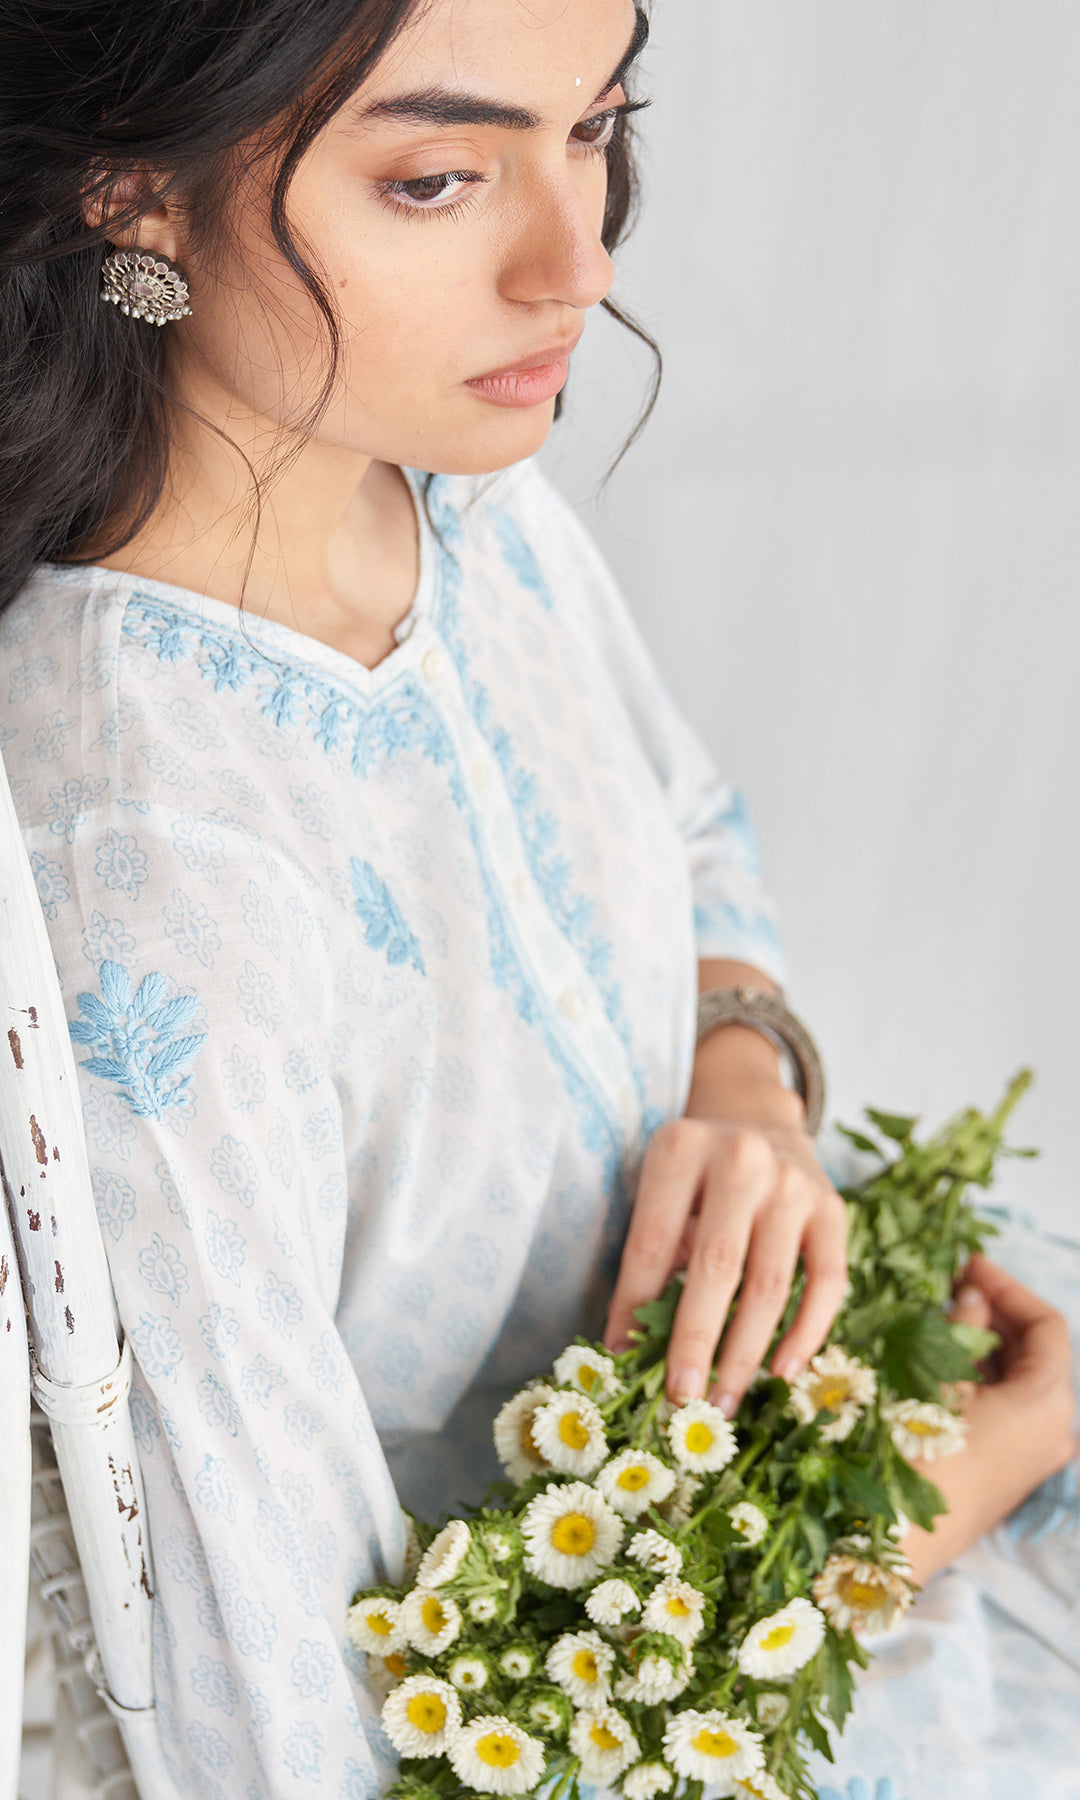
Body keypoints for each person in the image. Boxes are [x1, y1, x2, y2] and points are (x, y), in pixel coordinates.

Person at [0, 1, 1071, 1794]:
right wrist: (970, 1478)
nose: (576, 263)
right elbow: (318, 1754)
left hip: (770, 1477)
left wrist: (746, 1094)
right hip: (641, 1691)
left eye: (595, 127)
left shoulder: (447, 488)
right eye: (436, 178)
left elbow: (691, 825)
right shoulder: (149, 877)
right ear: (135, 192)